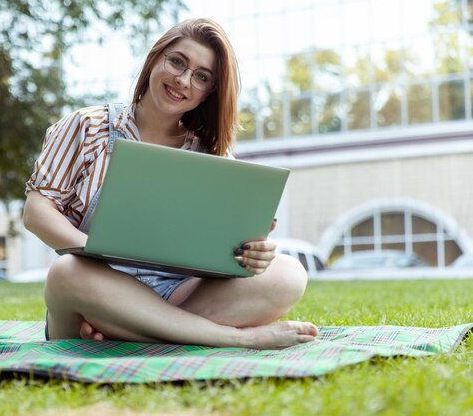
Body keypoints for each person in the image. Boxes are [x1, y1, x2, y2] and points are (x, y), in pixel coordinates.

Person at [23, 18, 318, 349]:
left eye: (201, 77)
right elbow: (37, 210)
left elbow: (230, 242)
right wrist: (92, 250)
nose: (183, 80)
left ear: (209, 93)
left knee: (289, 274)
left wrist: (255, 253)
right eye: (177, 61)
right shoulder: (86, 126)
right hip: (96, 287)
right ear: (155, 58)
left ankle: (131, 330)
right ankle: (234, 338)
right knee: (65, 273)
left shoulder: (211, 152)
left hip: (179, 294)